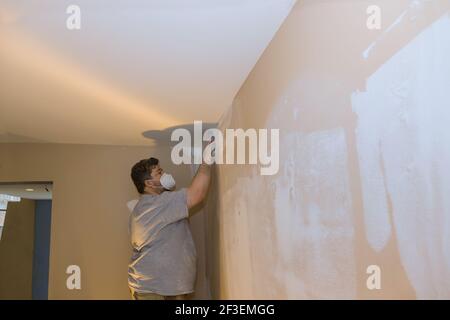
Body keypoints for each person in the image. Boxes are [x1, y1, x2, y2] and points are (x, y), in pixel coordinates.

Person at [127, 153, 212, 300]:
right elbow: (197, 194)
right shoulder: (158, 203)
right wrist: (206, 161)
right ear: (149, 183)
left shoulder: (144, 207)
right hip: (157, 288)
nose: (164, 174)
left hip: (158, 286)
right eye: (159, 173)